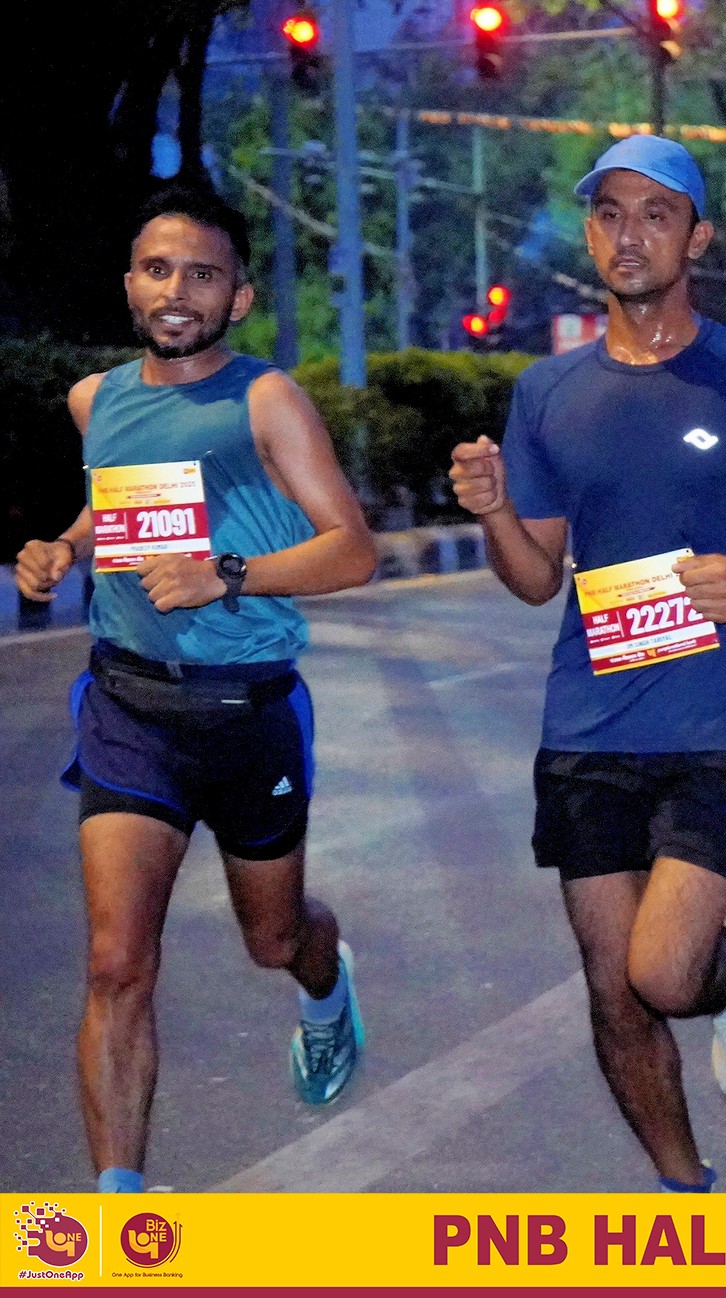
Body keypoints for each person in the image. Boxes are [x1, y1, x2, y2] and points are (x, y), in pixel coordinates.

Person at [448, 136, 726, 1191]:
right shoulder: (548, 391)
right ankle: (686, 1192)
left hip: (723, 727)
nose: (628, 234)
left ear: (697, 236)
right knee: (613, 988)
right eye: (609, 214)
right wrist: (495, 510)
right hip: (588, 727)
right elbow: (534, 578)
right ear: (590, 233)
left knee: (665, 972)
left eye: (654, 213)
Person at [13, 184, 378, 1192]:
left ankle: (325, 984)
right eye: (158, 269)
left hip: (248, 710)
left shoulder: (266, 400)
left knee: (274, 937)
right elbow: (117, 510)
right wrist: (62, 548)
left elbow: (353, 549)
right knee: (115, 963)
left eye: (203, 274)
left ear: (239, 297)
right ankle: (119, 1214)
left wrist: (230, 574)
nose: (178, 291)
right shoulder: (95, 400)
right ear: (131, 283)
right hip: (128, 708)